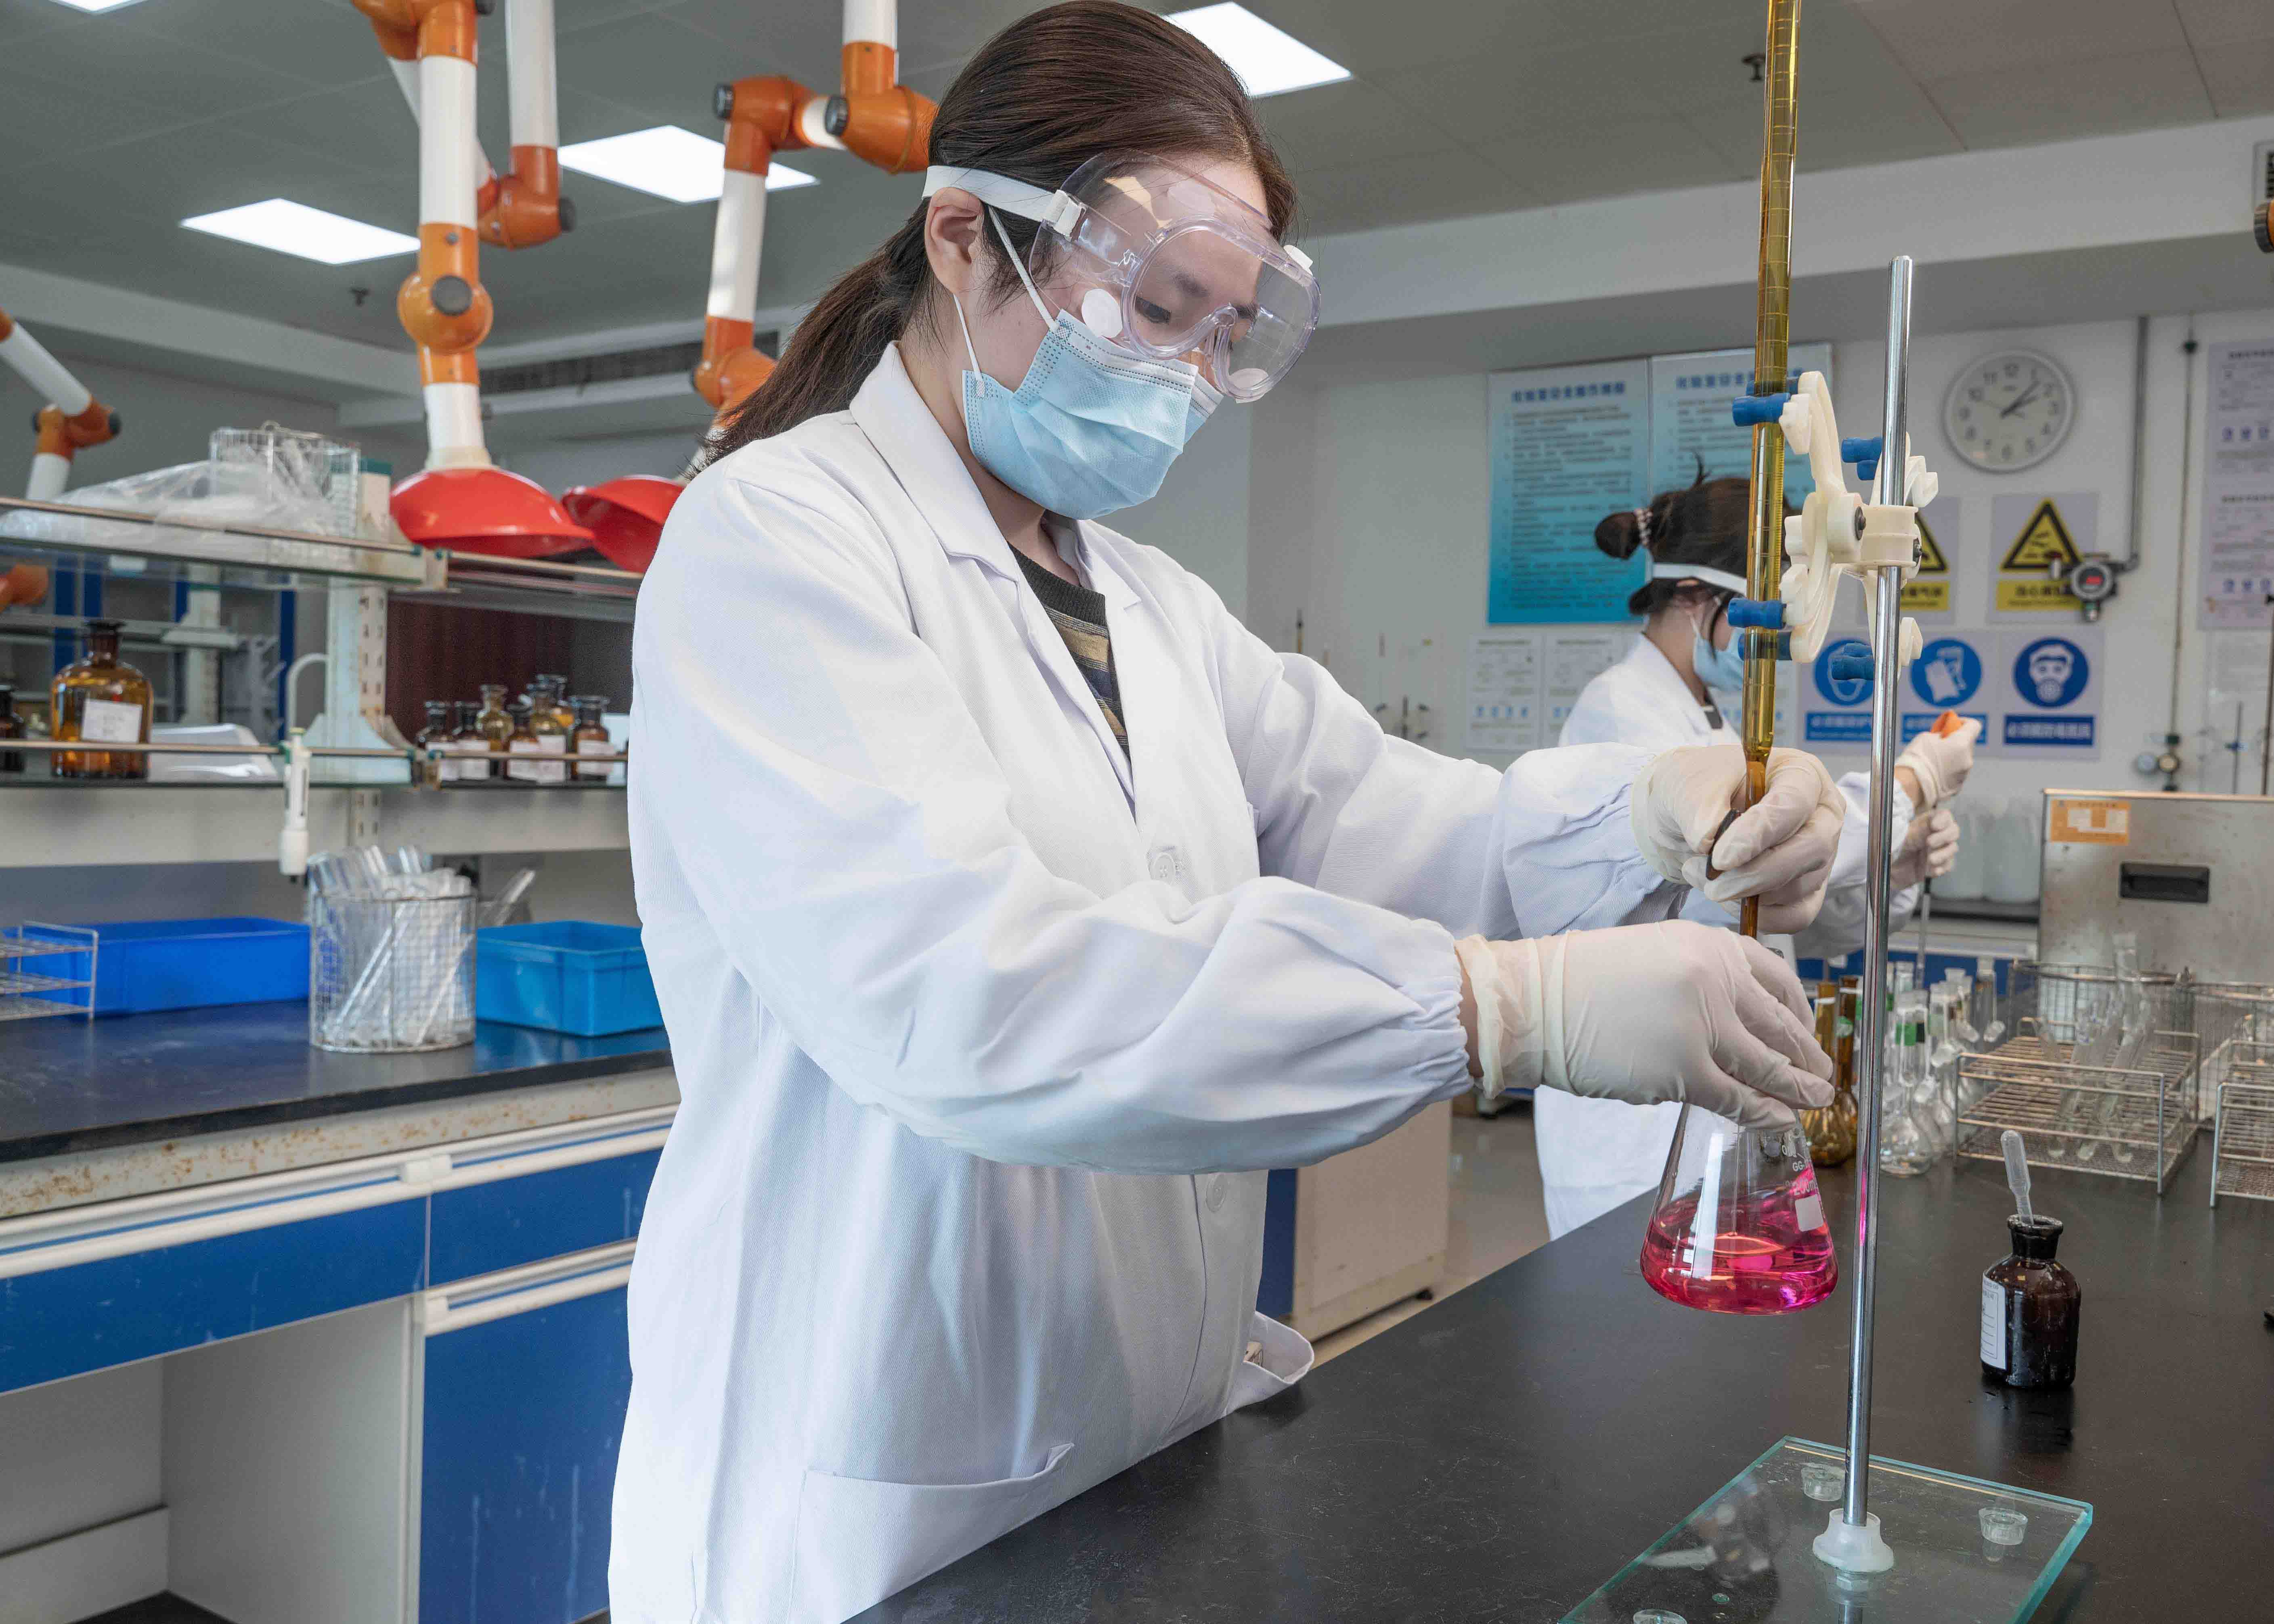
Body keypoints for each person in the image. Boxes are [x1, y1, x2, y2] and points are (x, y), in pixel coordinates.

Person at [609, 8, 1855, 1617]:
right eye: (1156, 308)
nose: (1188, 380)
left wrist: (1646, 814)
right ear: (963, 238)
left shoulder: (1152, 606)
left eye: (1223, 334)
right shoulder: (776, 539)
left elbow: (1408, 830)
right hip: (871, 1478)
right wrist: (1502, 1010)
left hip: (1136, 1443)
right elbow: (968, 994)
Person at [1532, 472, 1979, 1239]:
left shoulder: (1707, 720)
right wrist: (1907, 784)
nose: (1774, 645)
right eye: (1766, 617)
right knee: (1627, 1304)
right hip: (1638, 1114)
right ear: (1696, 598)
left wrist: (1894, 869)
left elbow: (1772, 914)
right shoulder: (1623, 712)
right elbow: (1740, 852)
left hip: (1709, 1091)